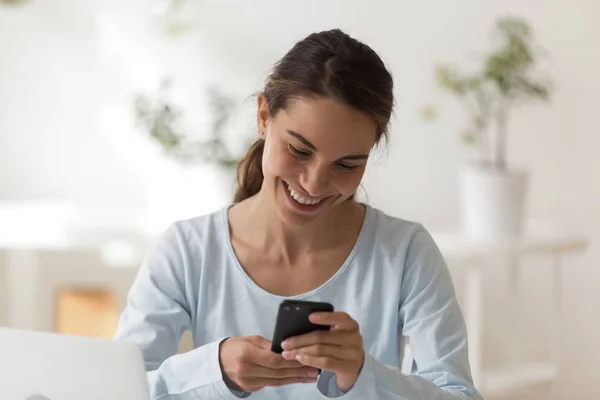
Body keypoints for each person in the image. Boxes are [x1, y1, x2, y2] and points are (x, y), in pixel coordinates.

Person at [115, 28, 483, 400]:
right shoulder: (187, 250)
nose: (314, 184)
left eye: (346, 165)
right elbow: (117, 392)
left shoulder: (405, 252)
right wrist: (213, 369)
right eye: (299, 150)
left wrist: (362, 376)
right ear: (263, 116)